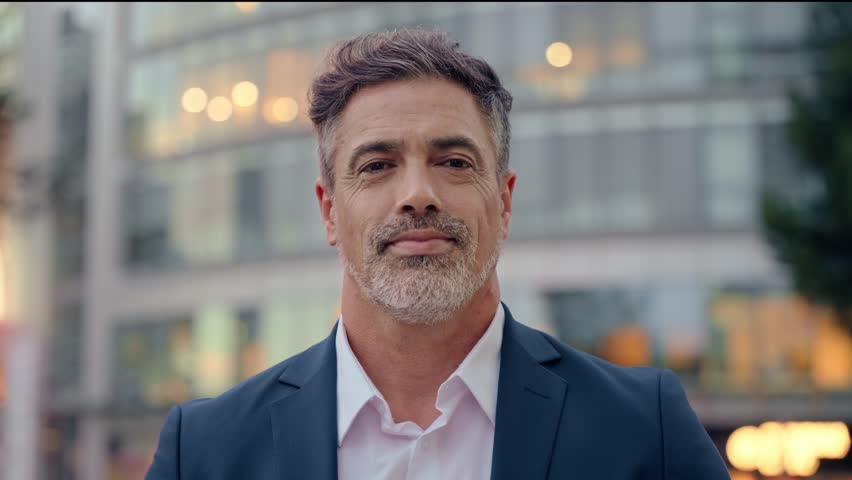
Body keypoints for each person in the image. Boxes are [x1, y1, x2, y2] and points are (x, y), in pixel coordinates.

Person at [146, 29, 731, 480]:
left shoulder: (643, 429)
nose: (417, 195)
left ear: (503, 202)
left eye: (454, 162)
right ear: (329, 211)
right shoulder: (203, 449)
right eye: (377, 166)